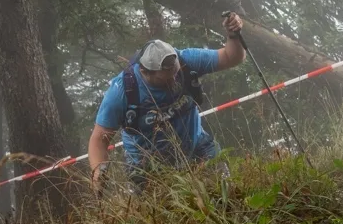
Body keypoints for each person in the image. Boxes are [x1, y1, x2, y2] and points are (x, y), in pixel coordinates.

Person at [89, 11, 248, 189]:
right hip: (147, 166)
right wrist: (99, 173)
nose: (174, 80)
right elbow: (99, 139)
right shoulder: (122, 91)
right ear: (145, 72)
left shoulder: (186, 60)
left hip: (197, 147)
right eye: (165, 79)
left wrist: (233, 35)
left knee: (227, 192)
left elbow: (231, 58)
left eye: (176, 73)